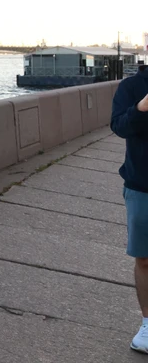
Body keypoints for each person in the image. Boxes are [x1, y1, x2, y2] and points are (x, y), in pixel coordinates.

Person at [111, 63, 148, 354]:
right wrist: (142, 107)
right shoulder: (130, 88)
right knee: (145, 259)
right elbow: (119, 126)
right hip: (141, 187)